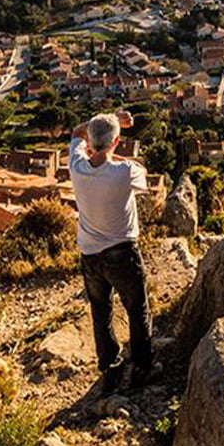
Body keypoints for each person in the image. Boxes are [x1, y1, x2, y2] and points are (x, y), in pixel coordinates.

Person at [69, 110, 154, 394]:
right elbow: (143, 175)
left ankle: (110, 368)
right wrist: (114, 143)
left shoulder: (77, 166)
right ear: (117, 140)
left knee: (100, 310)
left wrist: (98, 122)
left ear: (90, 142)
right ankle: (142, 367)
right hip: (122, 253)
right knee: (136, 309)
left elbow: (75, 134)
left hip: (90, 255)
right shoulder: (125, 171)